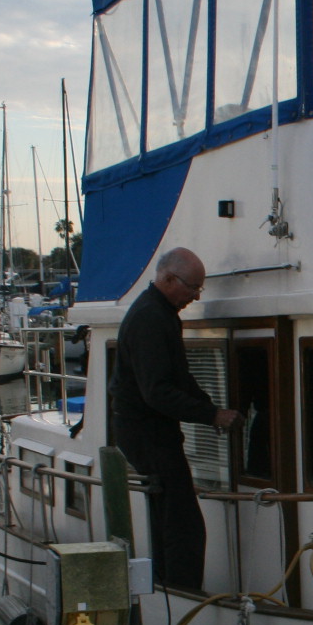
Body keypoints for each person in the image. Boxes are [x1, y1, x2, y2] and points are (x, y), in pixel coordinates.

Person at [109, 247, 240, 590]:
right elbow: (158, 392)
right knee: (182, 524)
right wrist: (212, 414)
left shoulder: (161, 313)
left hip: (151, 430)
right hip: (146, 433)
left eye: (199, 289)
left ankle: (171, 587)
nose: (196, 296)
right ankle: (180, 593)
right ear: (168, 279)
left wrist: (210, 409)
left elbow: (179, 377)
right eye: (192, 288)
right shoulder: (150, 319)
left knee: (174, 517)